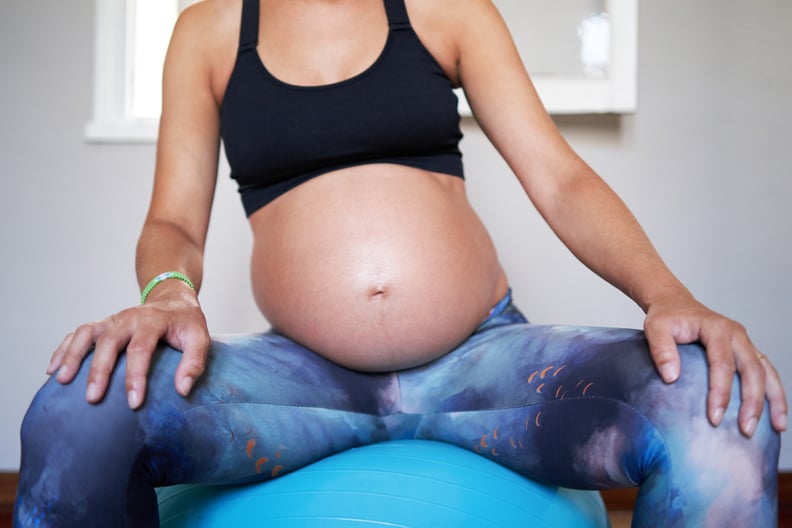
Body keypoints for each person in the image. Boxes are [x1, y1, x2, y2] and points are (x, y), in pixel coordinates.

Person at [14, 0, 786, 526]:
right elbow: (173, 221)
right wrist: (169, 293)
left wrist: (667, 294)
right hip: (305, 382)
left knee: (717, 414)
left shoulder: (444, 8)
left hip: (482, 365)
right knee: (76, 413)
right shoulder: (207, 33)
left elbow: (561, 179)